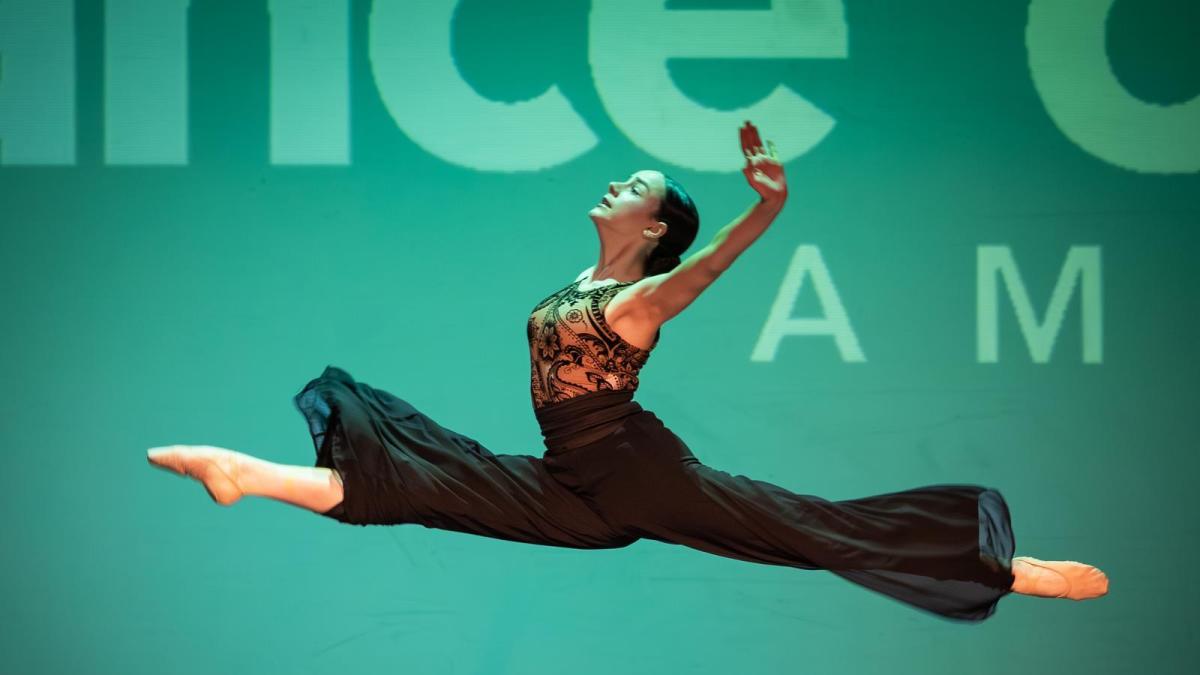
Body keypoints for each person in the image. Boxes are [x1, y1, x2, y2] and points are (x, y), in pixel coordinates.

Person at [147, 121, 1109, 622]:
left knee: (798, 526)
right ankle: (245, 473)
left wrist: (766, 207)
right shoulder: (583, 281)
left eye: (634, 187)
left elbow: (709, 266)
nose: (614, 185)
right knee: (425, 481)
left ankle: (1002, 568)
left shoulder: (638, 301)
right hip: (574, 483)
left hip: (637, 472)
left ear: (652, 227)